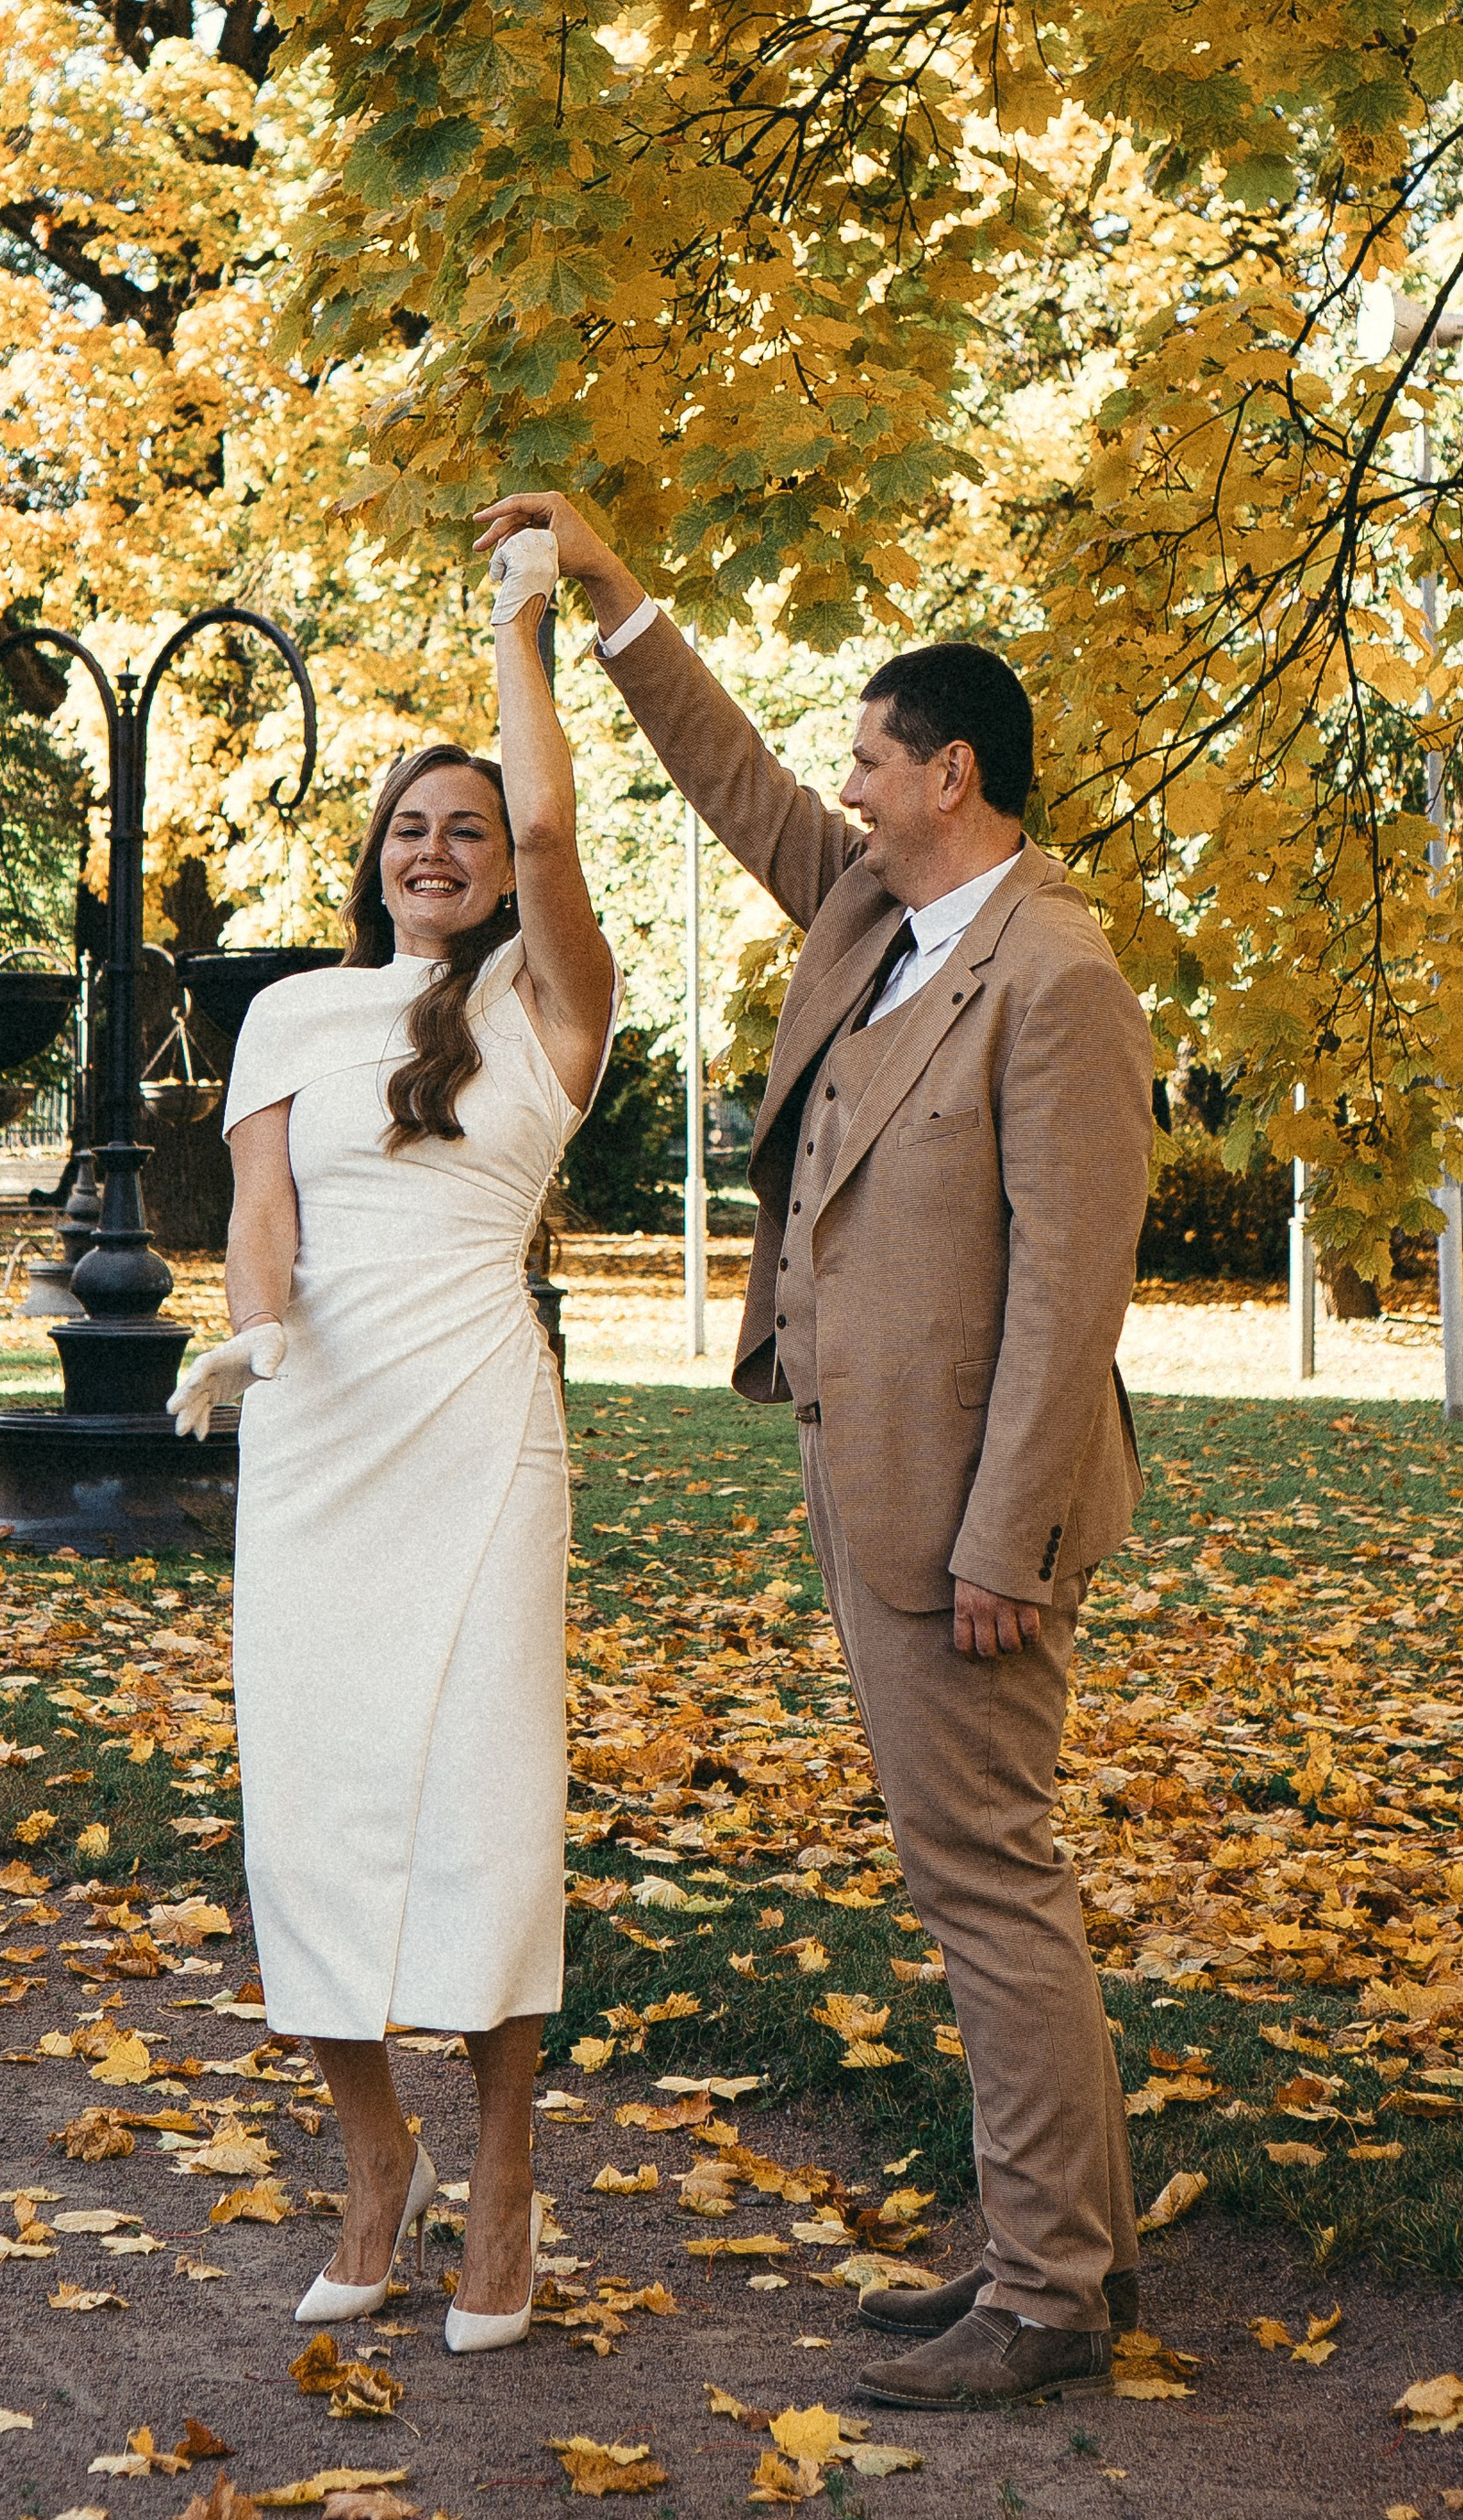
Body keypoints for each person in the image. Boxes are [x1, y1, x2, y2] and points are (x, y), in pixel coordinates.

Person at [473, 489, 1154, 2411]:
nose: (840, 786)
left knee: (983, 1879)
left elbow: (1066, 1299)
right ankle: (1065, 2264)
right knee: (976, 1874)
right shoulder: (878, 915)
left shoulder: (1058, 978)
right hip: (869, 1478)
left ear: (949, 773)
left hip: (970, 1516)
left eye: (869, 756)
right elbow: (727, 780)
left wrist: (1004, 1542)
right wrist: (607, 592)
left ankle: (1040, 2298)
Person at [166, 528, 615, 2357]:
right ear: (370, 859)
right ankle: (375, 2165)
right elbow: (259, 1206)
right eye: (410, 829)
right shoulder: (288, 1009)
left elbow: (566, 827)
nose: (438, 853)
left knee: (488, 1814)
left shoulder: (549, 1007)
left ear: (502, 864)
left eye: (470, 831)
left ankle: (503, 2172)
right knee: (318, 1812)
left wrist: (524, 621)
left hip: (481, 1433)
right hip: (322, 1443)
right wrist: (251, 1335)